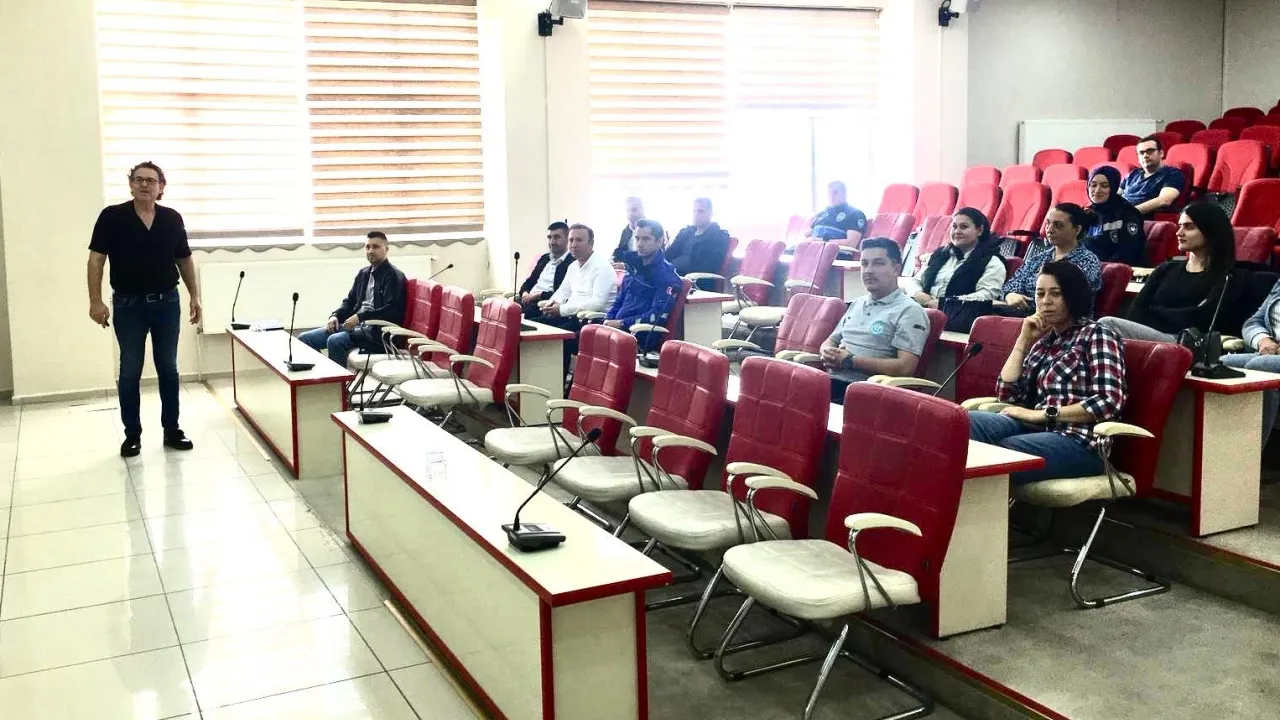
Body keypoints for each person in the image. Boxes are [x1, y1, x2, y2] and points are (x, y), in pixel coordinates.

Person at [968, 261, 1128, 485]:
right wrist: (1023, 341)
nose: (1045, 301)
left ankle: (978, 506)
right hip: (1034, 428)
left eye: (1055, 293)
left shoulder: (1097, 335)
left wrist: (1045, 414)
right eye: (1040, 293)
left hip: (1079, 441)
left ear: (1073, 296)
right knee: (966, 424)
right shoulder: (1043, 342)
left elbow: (1109, 401)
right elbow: (1007, 394)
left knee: (1005, 452)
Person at [87, 161, 202, 457]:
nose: (144, 184)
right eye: (138, 179)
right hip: (128, 305)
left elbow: (184, 259)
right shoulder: (112, 217)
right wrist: (95, 300)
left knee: (168, 368)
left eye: (151, 180)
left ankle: (172, 429)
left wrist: (195, 296)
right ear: (131, 185)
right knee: (130, 370)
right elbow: (96, 259)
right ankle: (132, 435)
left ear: (161, 187)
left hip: (167, 303)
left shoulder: (171, 218)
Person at [1099, 203, 1237, 342]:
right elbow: (1135, 313)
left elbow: (1202, 320)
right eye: (1180, 225)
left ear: (1211, 230)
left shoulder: (1228, 275)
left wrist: (1155, 311)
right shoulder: (1165, 269)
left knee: (1107, 324)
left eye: (1189, 227)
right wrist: (1179, 314)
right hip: (1152, 335)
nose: (1179, 232)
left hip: (1187, 341)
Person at [820, 238, 930, 403]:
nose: (868, 271)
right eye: (864, 264)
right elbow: (830, 340)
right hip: (832, 380)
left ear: (896, 269)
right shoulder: (857, 303)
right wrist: (826, 352)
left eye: (878, 263)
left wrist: (850, 361)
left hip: (869, 392)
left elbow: (905, 368)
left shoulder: (909, 311)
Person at [299, 231, 407, 369]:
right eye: (367, 247)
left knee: (335, 341)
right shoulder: (363, 274)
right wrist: (335, 316)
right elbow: (350, 301)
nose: (370, 251)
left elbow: (391, 311)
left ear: (386, 249)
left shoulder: (394, 276)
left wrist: (360, 317)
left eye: (376, 247)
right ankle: (325, 377)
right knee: (305, 339)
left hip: (375, 333)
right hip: (355, 327)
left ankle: (339, 382)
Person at [903, 207, 1006, 320]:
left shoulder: (992, 262)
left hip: (958, 318)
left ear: (980, 230)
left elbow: (986, 295)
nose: (957, 231)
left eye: (964, 227)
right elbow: (915, 280)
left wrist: (945, 303)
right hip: (922, 311)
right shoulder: (939, 254)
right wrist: (918, 294)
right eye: (954, 226)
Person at [1000, 203, 1102, 315]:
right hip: (1023, 314)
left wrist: (1024, 303)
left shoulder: (1087, 261)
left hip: (1058, 320)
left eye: (1058, 225)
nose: (1050, 229)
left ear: (1077, 229)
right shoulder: (1038, 259)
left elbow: (1068, 300)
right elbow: (1010, 286)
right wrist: (1010, 295)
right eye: (1048, 223)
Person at [605, 219, 683, 352]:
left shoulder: (667, 276)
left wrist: (622, 323)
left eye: (646, 239)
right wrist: (608, 320)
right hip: (617, 331)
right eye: (637, 238)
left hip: (640, 336)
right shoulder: (632, 268)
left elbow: (656, 317)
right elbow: (619, 301)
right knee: (583, 336)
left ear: (659, 241)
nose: (640, 244)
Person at [1224, 274, 1280, 443]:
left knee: (1261, 365)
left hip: (1269, 360)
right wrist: (1262, 340)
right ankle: (1220, 446)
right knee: (1223, 364)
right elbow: (1253, 322)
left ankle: (1251, 451)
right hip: (1273, 351)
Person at [535, 223, 618, 330]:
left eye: (579, 240)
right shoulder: (573, 266)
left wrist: (562, 310)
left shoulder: (602, 267)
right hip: (568, 316)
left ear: (591, 243)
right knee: (530, 326)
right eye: (571, 240)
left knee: (544, 334)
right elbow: (562, 292)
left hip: (588, 322)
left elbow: (597, 304)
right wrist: (551, 304)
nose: (573, 245)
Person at [1084, 165, 1146, 266]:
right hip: (1087, 266)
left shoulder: (1127, 213)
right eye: (1093, 185)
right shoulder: (1086, 212)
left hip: (1119, 270)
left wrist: (1098, 267)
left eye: (1104, 186)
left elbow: (1127, 254)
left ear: (1114, 187)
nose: (1097, 190)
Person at [665, 197, 731, 288]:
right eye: (694, 211)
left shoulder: (719, 236)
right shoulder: (685, 233)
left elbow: (713, 265)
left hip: (694, 280)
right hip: (670, 274)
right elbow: (668, 255)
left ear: (710, 214)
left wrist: (676, 269)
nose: (696, 215)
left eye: (700, 211)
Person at [1119, 135, 1186, 219]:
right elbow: (1115, 195)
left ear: (1161, 153)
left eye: (1150, 151)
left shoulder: (1173, 173)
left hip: (1143, 219)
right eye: (1141, 153)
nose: (1145, 155)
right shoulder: (1133, 174)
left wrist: (1129, 213)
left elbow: (1164, 200)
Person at [518, 221, 571, 318]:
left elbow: (562, 294)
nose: (552, 242)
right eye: (549, 237)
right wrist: (525, 292)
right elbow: (529, 282)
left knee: (522, 317)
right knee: (503, 311)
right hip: (528, 301)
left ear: (567, 239)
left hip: (544, 305)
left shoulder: (571, 262)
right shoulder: (544, 258)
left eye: (557, 237)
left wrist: (539, 295)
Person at [806, 180, 868, 249]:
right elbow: (806, 235)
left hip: (834, 252)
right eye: (829, 193)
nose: (831, 196)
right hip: (813, 250)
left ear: (844, 194)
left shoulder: (855, 214)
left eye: (835, 193)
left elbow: (851, 243)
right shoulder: (822, 214)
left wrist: (822, 241)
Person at [612, 196, 645, 263]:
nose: (630, 213)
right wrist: (613, 260)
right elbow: (619, 251)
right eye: (627, 210)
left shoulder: (650, 230)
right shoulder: (626, 231)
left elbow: (648, 257)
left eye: (634, 210)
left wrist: (625, 266)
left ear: (642, 210)